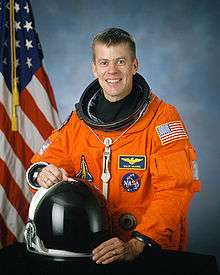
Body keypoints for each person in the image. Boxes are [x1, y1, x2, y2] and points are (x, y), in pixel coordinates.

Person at [26, 27, 201, 265]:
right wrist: (45, 172)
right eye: (104, 62)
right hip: (91, 250)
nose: (112, 71)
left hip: (148, 250)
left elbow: (176, 190)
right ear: (94, 68)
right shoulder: (79, 121)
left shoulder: (162, 119)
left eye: (120, 61)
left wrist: (138, 243)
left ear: (134, 65)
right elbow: (42, 165)